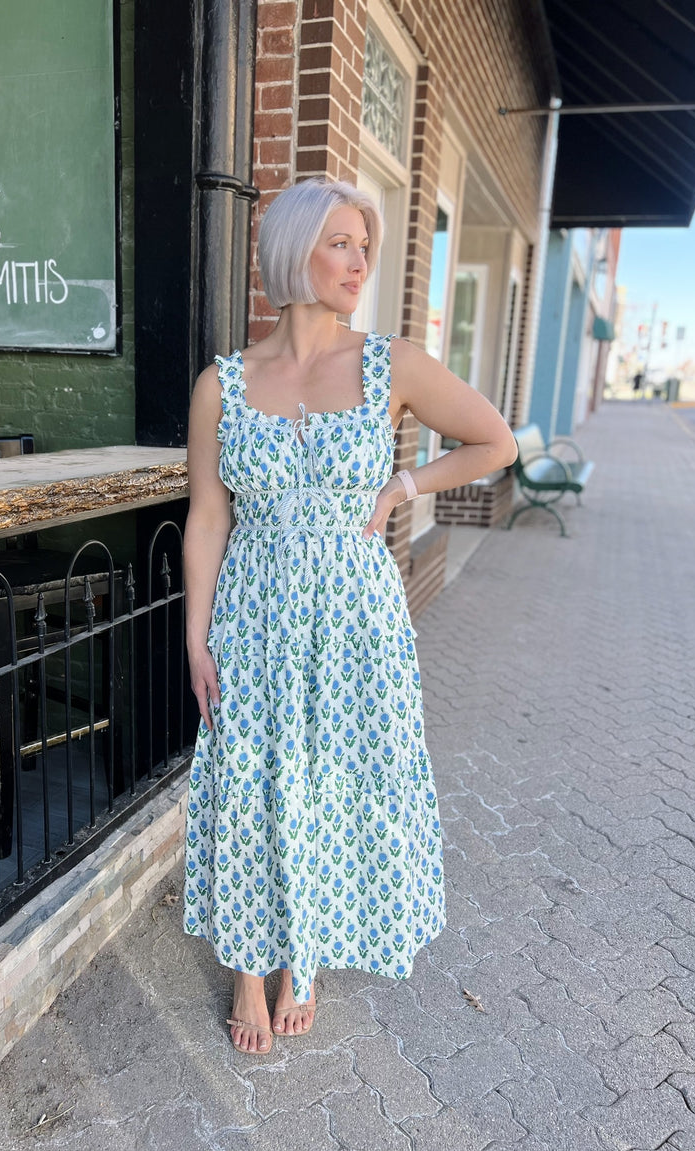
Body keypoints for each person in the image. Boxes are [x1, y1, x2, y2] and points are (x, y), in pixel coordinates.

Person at [182, 178, 517, 1054]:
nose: (360, 260)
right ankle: (252, 968)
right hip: (253, 617)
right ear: (294, 250)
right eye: (341, 241)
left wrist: (406, 484)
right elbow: (209, 516)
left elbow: (496, 440)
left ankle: (308, 953)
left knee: (331, 782)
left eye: (364, 244)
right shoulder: (222, 383)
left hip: (356, 622)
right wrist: (195, 633)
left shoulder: (391, 363)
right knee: (254, 781)